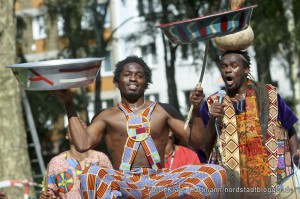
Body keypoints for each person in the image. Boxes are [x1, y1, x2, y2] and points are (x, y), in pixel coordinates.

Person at [53, 55, 227, 198]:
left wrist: (196, 109)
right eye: (127, 74)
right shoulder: (106, 116)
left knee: (216, 174)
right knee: (91, 175)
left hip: (160, 181)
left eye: (139, 75)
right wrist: (69, 105)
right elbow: (83, 144)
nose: (133, 78)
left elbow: (197, 142)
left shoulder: (163, 111)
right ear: (117, 80)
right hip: (124, 182)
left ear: (146, 82)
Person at [199, 50, 299, 197]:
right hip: (234, 189)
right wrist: (213, 118)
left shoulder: (268, 95)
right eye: (224, 66)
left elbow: (289, 129)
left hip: (275, 183)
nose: (227, 70)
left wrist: (295, 164)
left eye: (233, 66)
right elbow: (205, 146)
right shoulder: (212, 103)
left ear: (246, 69)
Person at [39, 120, 112, 199]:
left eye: (82, 127)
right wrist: (46, 196)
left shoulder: (101, 159)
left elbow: (113, 188)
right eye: (73, 127)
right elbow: (49, 193)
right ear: (67, 135)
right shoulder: (56, 163)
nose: (78, 130)